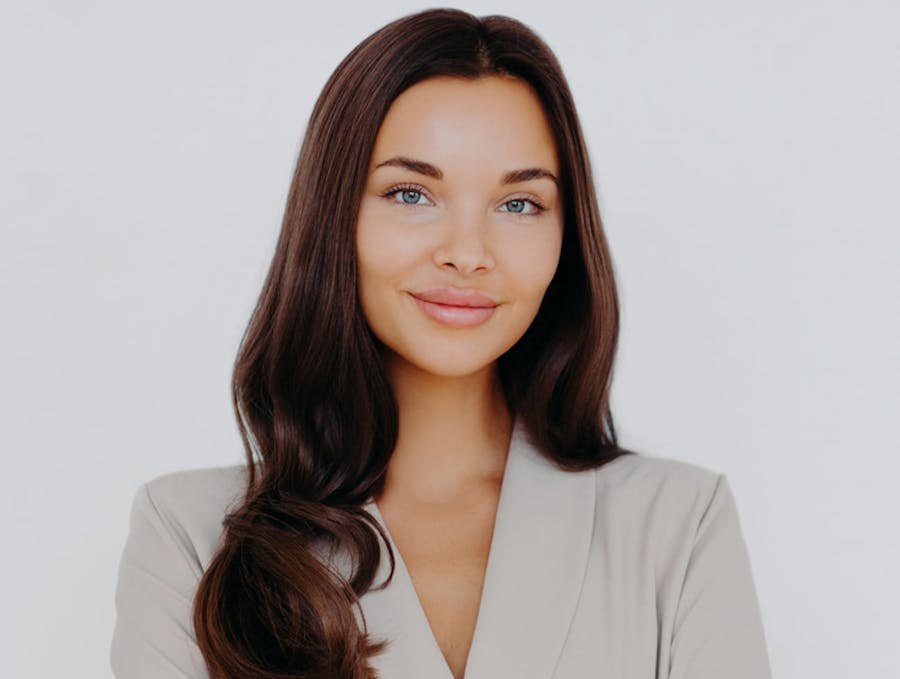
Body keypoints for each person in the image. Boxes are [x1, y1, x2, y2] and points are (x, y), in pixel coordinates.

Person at [110, 8, 772, 679]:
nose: (467, 252)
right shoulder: (191, 538)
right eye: (411, 193)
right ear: (335, 214)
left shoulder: (677, 527)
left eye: (519, 204)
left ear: (566, 237)